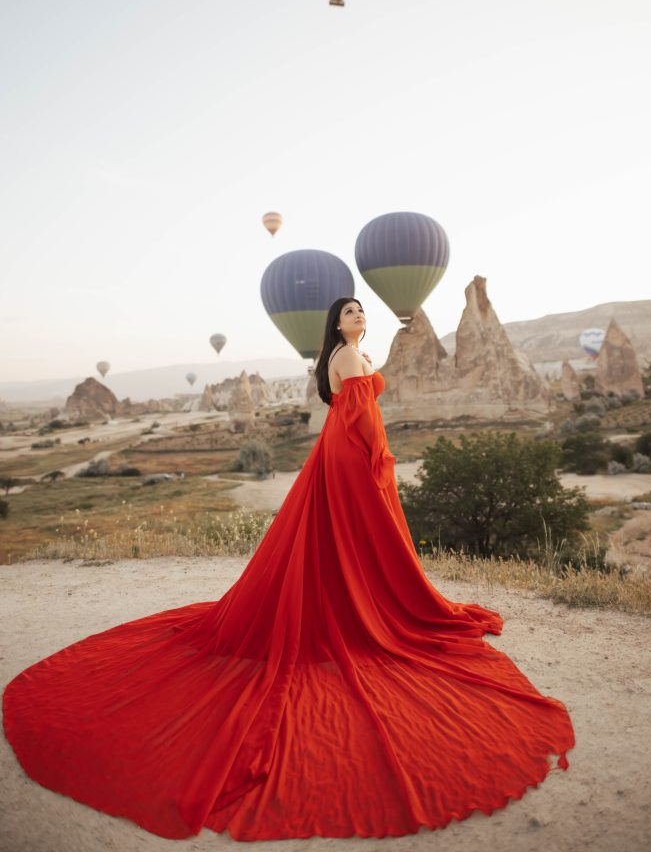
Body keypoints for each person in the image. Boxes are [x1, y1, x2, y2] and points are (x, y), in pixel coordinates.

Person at [2, 297, 575, 842]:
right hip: (351, 453)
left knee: (344, 539)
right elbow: (359, 413)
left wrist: (378, 453)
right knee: (358, 534)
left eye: (361, 309)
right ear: (336, 323)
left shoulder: (351, 355)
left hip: (348, 450)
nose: (358, 315)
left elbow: (359, 407)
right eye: (349, 311)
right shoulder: (346, 356)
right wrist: (377, 458)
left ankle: (357, 598)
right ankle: (365, 606)